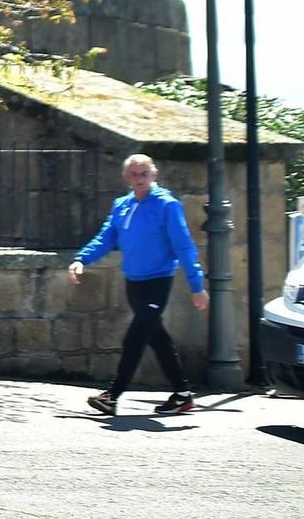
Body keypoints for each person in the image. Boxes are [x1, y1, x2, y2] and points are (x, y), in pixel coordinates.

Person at [71, 154, 206, 416]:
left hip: (158, 281)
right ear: (126, 177)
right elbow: (106, 236)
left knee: (135, 337)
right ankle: (182, 395)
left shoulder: (167, 205)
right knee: (158, 339)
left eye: (144, 173)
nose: (139, 178)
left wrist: (196, 285)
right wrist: (81, 259)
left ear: (154, 175)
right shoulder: (121, 205)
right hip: (133, 282)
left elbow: (184, 246)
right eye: (134, 174)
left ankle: (113, 395)